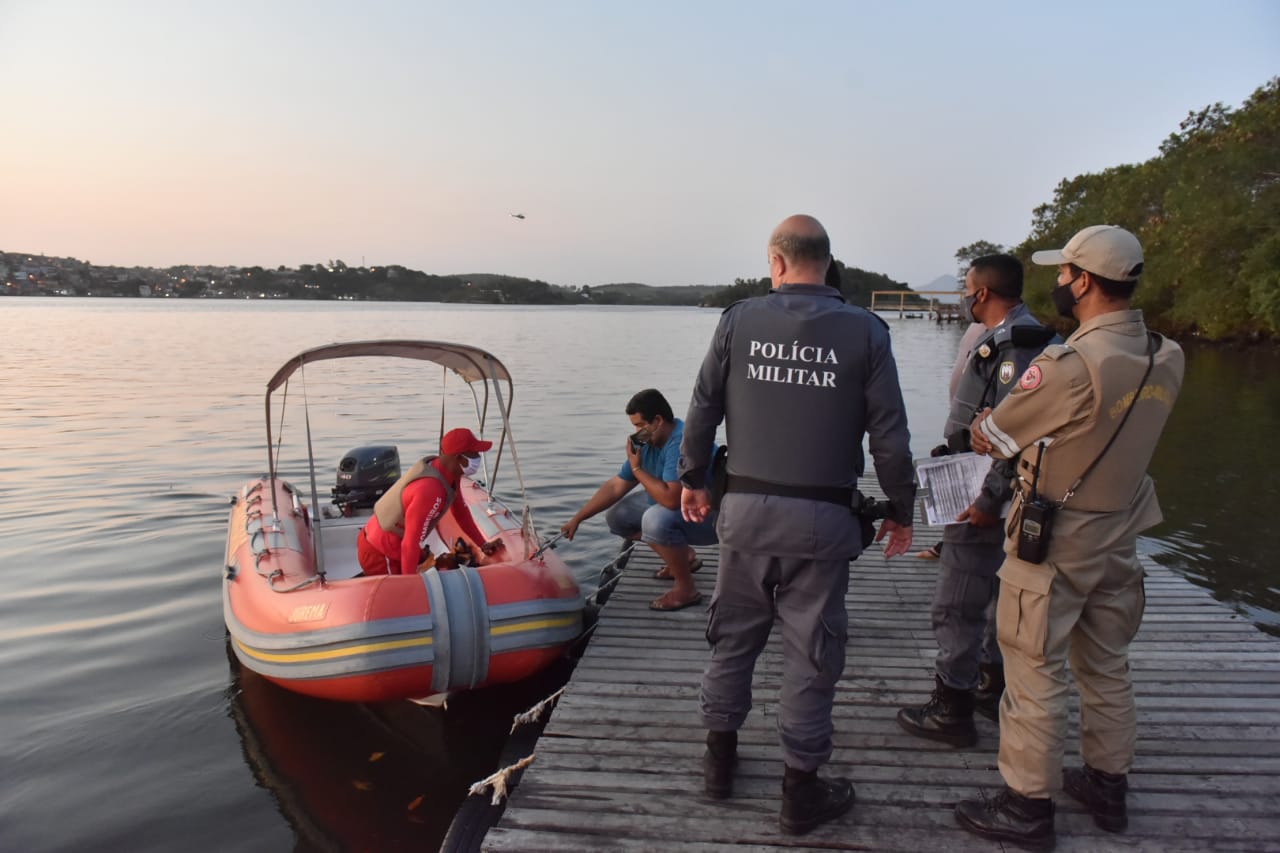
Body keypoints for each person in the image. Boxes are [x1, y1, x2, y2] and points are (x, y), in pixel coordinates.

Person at [678, 214, 916, 835]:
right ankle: (798, 793)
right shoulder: (866, 331)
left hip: (746, 517)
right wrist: (900, 508)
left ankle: (718, 763)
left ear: (776, 262)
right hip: (824, 522)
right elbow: (890, 433)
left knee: (733, 639)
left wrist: (693, 480)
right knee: (811, 656)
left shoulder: (738, 320)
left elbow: (702, 405)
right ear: (828, 261)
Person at [954, 225, 1184, 849]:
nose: (1057, 283)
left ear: (1083, 281)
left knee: (1034, 669)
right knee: (1107, 665)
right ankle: (1107, 787)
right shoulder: (1167, 353)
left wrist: (981, 421)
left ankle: (1027, 805)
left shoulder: (1072, 364)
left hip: (1053, 542)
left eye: (1063, 274)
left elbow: (995, 438)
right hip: (1122, 534)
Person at [897, 254, 1057, 746]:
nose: (965, 297)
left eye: (967, 288)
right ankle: (989, 683)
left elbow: (1015, 431)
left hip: (984, 491)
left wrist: (989, 497)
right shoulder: (1029, 337)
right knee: (989, 596)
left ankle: (953, 708)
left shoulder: (1016, 346)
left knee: (959, 601)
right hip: (983, 481)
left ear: (982, 293)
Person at [560, 388, 719, 611]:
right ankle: (684, 557)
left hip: (710, 516)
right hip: (680, 509)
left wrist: (636, 468)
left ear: (658, 421)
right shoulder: (645, 443)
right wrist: (578, 518)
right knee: (618, 517)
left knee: (654, 520)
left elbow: (672, 499)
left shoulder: (681, 442)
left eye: (639, 425)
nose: (636, 432)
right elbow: (616, 486)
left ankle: (686, 589)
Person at [356, 427, 505, 575]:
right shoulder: (430, 490)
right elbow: (410, 544)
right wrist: (411, 584)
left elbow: (461, 513)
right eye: (474, 454)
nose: (478, 457)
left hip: (394, 544)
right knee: (402, 595)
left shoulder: (450, 473)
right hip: (380, 552)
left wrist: (482, 544)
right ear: (459, 457)